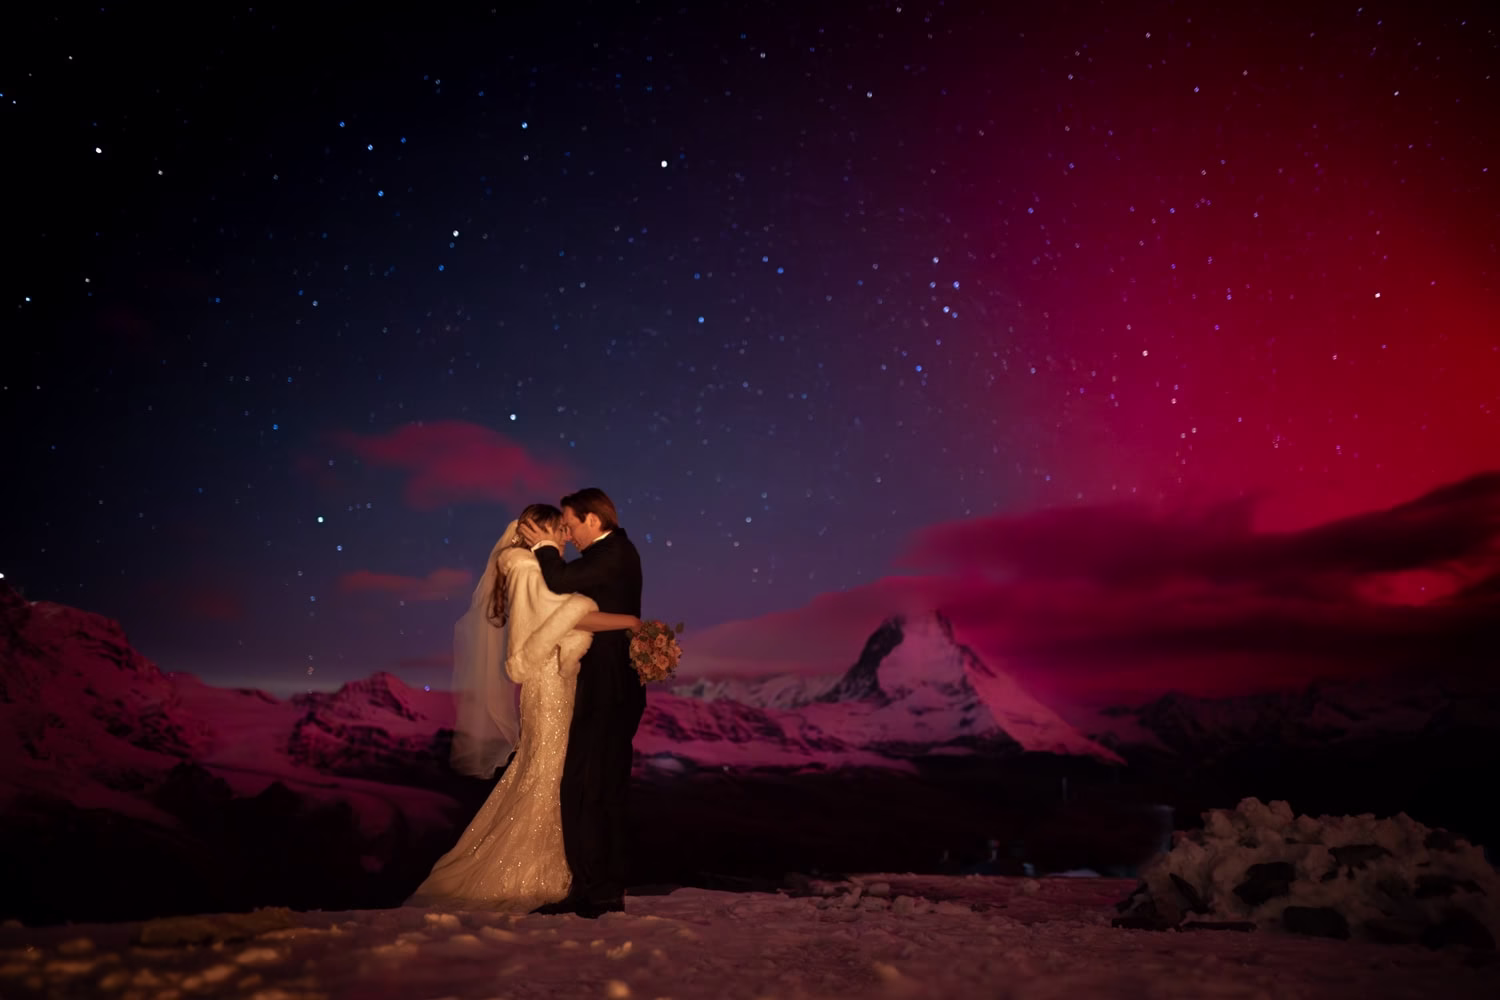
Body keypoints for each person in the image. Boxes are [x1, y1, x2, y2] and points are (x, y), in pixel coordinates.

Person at [407, 504, 640, 912]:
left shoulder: (525, 567)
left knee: (548, 768)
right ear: (540, 531)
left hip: (552, 679)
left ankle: (570, 866)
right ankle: (543, 871)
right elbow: (561, 619)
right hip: (549, 682)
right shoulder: (527, 568)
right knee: (552, 769)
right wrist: (630, 622)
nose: (566, 537)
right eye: (559, 529)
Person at [519, 488, 644, 918]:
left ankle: (597, 890)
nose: (568, 535)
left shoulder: (613, 552)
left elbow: (559, 581)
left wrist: (544, 546)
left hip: (610, 684)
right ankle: (597, 887)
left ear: (594, 519)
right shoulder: (612, 554)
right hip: (610, 683)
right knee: (595, 786)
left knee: (588, 784)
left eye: (570, 525)